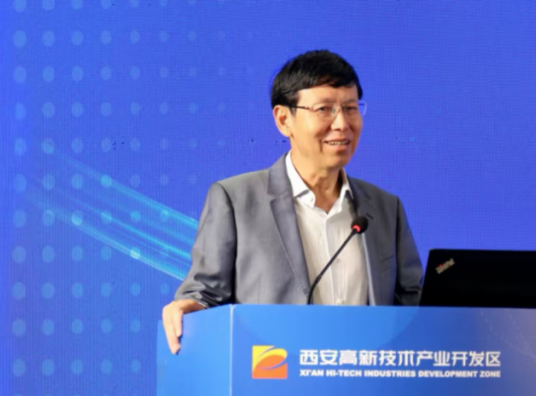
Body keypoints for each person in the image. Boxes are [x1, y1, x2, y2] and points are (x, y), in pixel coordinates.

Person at [161, 50, 423, 353]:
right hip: (273, 374)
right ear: (284, 119)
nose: (342, 123)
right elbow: (205, 296)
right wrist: (190, 308)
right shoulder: (235, 200)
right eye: (324, 109)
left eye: (351, 108)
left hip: (366, 377)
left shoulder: (386, 208)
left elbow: (413, 306)